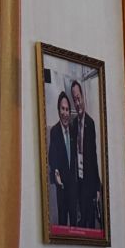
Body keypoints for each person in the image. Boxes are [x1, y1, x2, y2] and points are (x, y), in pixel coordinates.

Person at [68, 77, 103, 229]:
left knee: (91, 221)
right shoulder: (73, 124)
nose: (77, 103)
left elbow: (94, 156)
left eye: (78, 98)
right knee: (81, 220)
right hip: (78, 180)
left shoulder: (90, 123)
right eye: (74, 100)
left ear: (83, 97)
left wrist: (97, 187)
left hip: (89, 180)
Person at [46, 91, 77, 228]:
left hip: (73, 187)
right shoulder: (54, 131)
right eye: (62, 109)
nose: (65, 113)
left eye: (67, 109)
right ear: (58, 110)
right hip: (62, 186)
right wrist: (56, 172)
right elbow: (52, 156)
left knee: (75, 223)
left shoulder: (73, 130)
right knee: (63, 221)